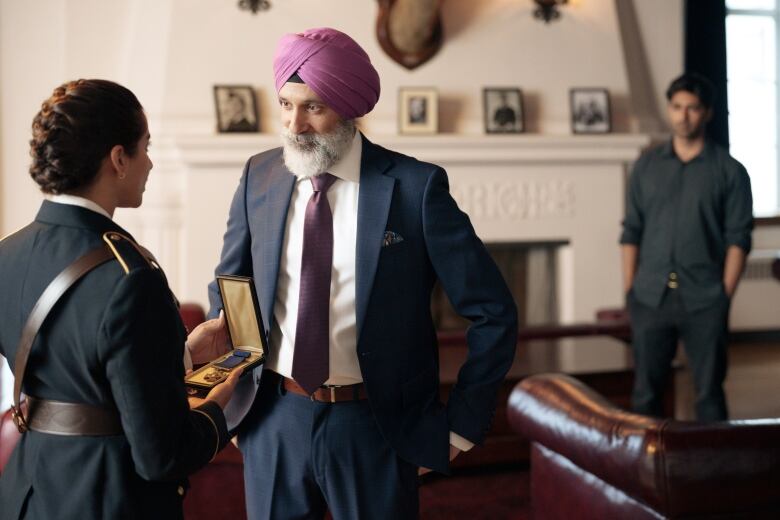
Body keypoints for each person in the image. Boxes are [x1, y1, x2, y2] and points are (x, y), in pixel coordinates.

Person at [207, 27, 518, 519]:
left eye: (313, 107)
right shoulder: (258, 176)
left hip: (374, 427)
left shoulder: (416, 189)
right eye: (286, 105)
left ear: (351, 109)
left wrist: (459, 427)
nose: (295, 125)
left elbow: (493, 312)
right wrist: (236, 401)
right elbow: (230, 291)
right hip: (273, 417)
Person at [0, 79, 242, 520]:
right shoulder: (130, 277)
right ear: (118, 159)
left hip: (26, 496)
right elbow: (162, 456)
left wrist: (182, 358)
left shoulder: (5, 255)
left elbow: (79, 375)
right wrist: (217, 411)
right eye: (144, 147)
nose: (149, 163)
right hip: (108, 501)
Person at [620, 73, 753, 421]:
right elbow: (631, 230)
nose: (684, 116)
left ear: (707, 113)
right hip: (650, 297)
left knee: (709, 394)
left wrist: (724, 294)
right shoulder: (646, 167)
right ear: (669, 110)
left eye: (693, 108)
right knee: (645, 395)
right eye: (677, 107)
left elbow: (738, 237)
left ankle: (713, 471)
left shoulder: (730, 171)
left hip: (705, 299)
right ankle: (642, 472)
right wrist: (630, 288)